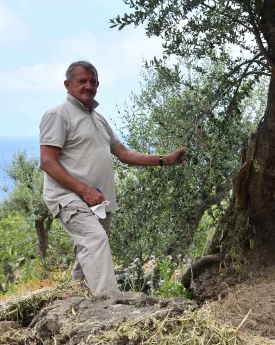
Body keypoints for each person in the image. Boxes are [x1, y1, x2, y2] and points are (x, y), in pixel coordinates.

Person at [39, 60, 186, 295]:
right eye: (82, 81)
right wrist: (84, 191)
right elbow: (47, 162)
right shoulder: (58, 114)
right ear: (67, 84)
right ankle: (110, 302)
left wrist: (164, 160)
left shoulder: (98, 118)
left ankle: (73, 296)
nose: (88, 86)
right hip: (68, 197)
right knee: (95, 240)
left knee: (89, 248)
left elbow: (124, 154)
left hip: (98, 200)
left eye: (93, 82)